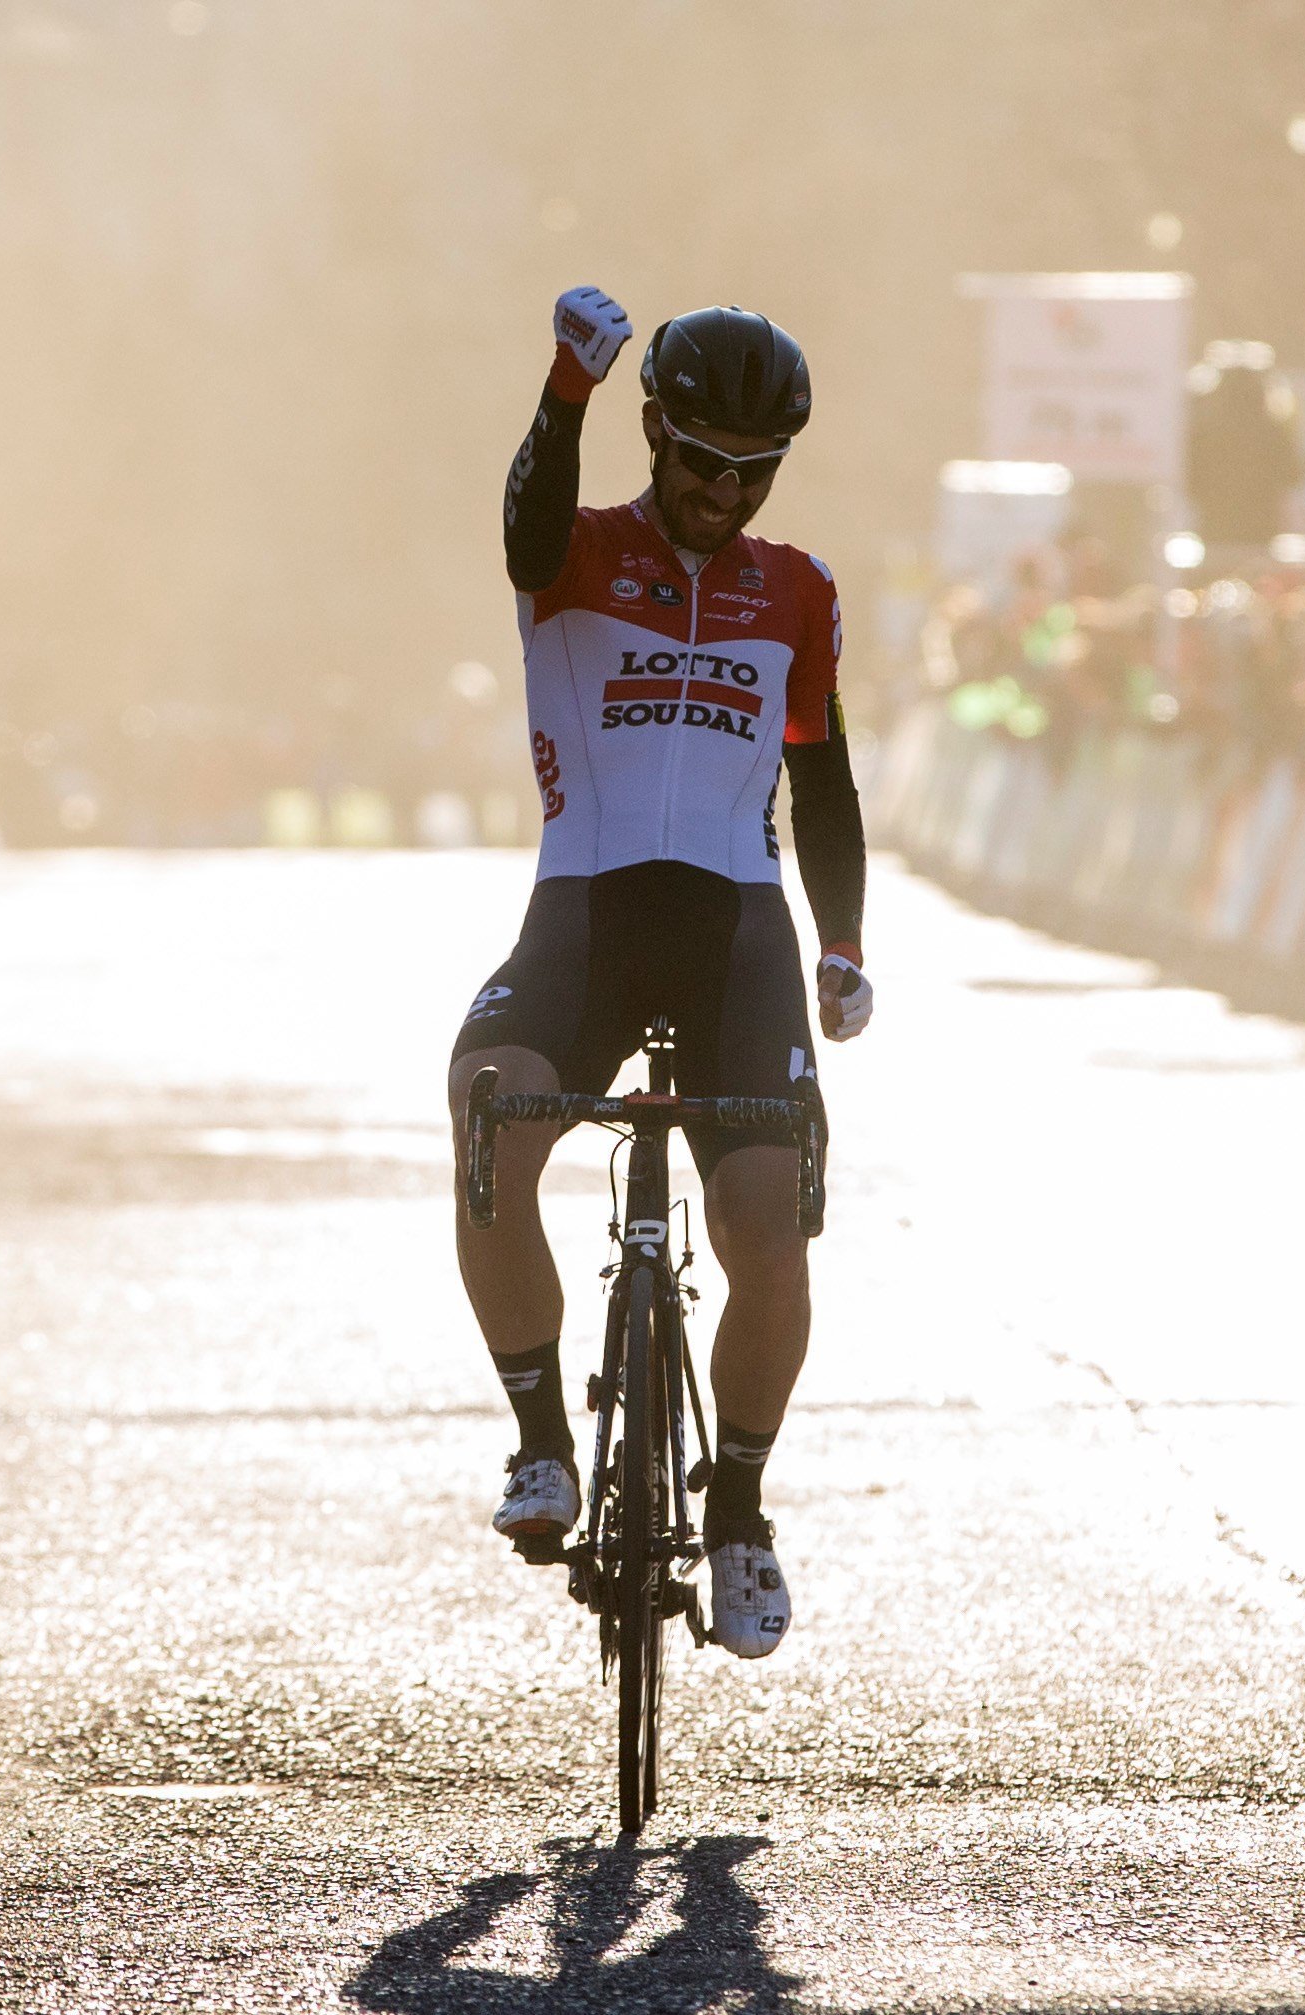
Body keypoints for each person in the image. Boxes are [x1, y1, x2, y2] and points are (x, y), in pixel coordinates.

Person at [448, 287, 874, 1660]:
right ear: (652, 436)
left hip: (735, 937)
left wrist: (842, 942)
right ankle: (538, 1441)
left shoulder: (796, 589)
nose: (723, 493)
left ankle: (738, 1510)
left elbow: (824, 783)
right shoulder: (571, 554)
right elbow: (522, 523)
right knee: (487, 1114)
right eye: (700, 462)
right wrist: (561, 386)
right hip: (586, 919)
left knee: (770, 1231)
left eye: (754, 474)